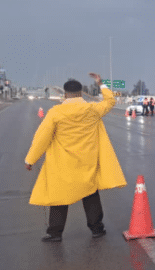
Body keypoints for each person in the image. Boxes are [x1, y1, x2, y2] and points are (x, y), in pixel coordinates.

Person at [25, 73, 127, 242]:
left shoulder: (56, 112)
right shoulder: (92, 110)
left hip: (62, 164)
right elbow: (110, 102)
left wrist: (30, 160)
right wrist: (100, 84)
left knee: (59, 198)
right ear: (81, 93)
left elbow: (41, 138)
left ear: (65, 94)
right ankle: (97, 229)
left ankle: (55, 233)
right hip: (87, 162)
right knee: (90, 194)